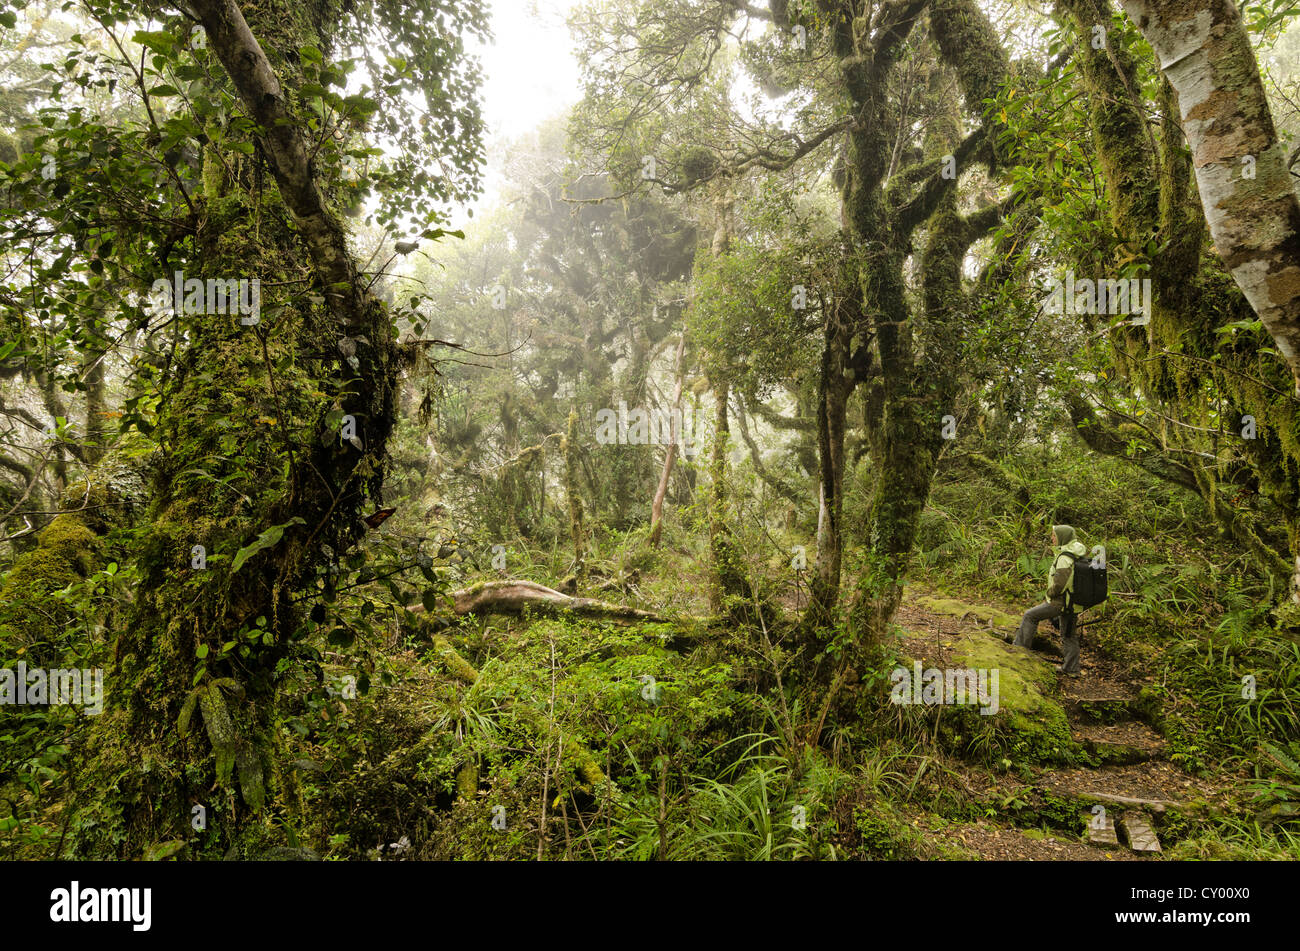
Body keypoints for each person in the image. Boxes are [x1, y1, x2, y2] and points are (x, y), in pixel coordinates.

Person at [1015, 524, 1086, 676]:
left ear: (1062, 537)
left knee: (1030, 616)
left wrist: (1050, 592)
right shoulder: (1076, 553)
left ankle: (1018, 652)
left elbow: (1059, 584)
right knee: (1068, 635)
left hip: (1060, 602)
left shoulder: (1065, 557)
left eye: (1054, 535)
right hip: (1073, 603)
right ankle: (1072, 669)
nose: (1052, 538)